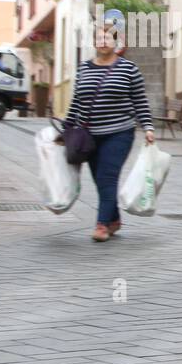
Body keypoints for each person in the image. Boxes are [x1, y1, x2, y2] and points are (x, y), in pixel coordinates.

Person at [59, 36, 155, 242]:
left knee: (107, 177)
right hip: (89, 136)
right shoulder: (84, 68)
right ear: (93, 41)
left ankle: (101, 225)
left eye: (107, 38)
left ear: (116, 43)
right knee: (100, 180)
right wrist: (66, 129)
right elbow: (76, 102)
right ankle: (114, 220)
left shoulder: (129, 69)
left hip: (119, 133)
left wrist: (147, 126)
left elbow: (140, 101)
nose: (103, 42)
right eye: (99, 38)